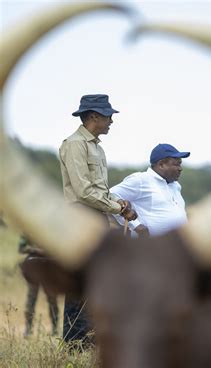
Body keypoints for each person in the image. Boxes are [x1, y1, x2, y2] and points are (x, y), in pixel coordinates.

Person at [59, 94, 137, 347]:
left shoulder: (97, 147)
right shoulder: (74, 144)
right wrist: (117, 207)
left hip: (96, 219)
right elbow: (83, 191)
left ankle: (91, 344)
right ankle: (74, 347)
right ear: (94, 116)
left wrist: (119, 203)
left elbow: (99, 190)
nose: (111, 121)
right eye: (108, 116)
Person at [110, 143, 190, 238]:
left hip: (176, 246)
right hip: (149, 247)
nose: (180, 168)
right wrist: (135, 225)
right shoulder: (141, 180)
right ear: (161, 164)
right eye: (176, 164)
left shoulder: (175, 185)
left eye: (180, 164)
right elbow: (110, 196)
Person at [18, 236, 59, 337]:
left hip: (48, 268)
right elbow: (21, 248)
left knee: (52, 299)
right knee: (31, 298)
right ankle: (28, 329)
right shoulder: (28, 229)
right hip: (34, 268)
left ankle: (55, 329)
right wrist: (36, 250)